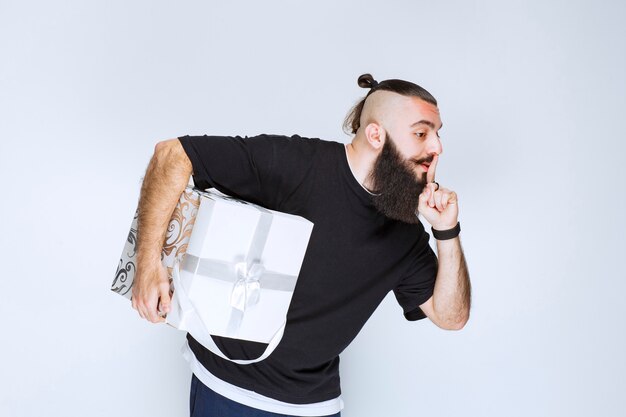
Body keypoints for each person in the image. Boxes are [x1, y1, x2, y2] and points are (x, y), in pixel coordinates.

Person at [130, 73, 471, 417]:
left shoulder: (405, 230)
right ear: (375, 134)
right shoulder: (297, 163)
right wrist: (147, 266)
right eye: (421, 133)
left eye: (438, 134)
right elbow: (172, 154)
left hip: (315, 406)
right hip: (226, 388)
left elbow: (451, 317)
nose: (437, 147)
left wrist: (447, 230)